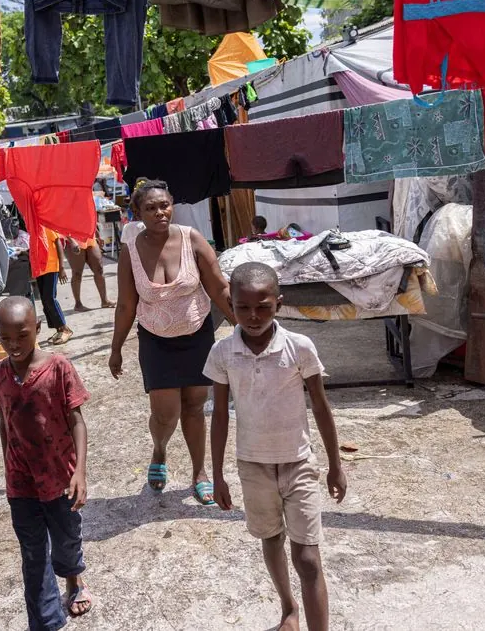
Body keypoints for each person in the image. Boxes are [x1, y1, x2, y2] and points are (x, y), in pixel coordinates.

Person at [206, 262, 348, 631]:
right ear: (231, 305)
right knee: (271, 539)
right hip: (252, 466)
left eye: (263, 307)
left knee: (308, 559)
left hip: (298, 463)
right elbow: (220, 415)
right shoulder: (222, 353)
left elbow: (319, 405)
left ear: (279, 304)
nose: (253, 317)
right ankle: (288, 608)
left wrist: (335, 464)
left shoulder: (299, 347)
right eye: (243, 308)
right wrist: (217, 474)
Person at [109, 179, 234, 505]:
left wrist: (247, 327)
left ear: (172, 204)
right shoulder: (131, 251)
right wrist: (116, 348)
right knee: (166, 413)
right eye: (150, 208)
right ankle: (160, 450)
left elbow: (219, 287)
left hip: (197, 337)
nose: (160, 212)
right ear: (137, 213)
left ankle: (199, 473)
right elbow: (126, 305)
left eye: (164, 205)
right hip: (156, 340)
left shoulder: (191, 239)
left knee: (194, 407)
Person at [0, 296, 92, 630]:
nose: (13, 345)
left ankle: (74, 580)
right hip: (21, 482)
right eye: (5, 338)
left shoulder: (58, 368)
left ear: (38, 329)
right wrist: (7, 465)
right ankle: (45, 621)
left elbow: (77, 421)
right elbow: (5, 422)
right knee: (32, 553)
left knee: (66, 537)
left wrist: (80, 473)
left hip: (60, 477)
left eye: (22, 335)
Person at [35, 227, 73, 345]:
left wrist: (61, 268)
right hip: (39, 269)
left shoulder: (46, 226)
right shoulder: (32, 227)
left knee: (50, 298)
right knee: (45, 300)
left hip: (51, 267)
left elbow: (58, 244)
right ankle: (58, 329)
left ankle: (64, 328)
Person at [65, 233, 114, 311]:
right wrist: (71, 240)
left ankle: (104, 301)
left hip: (90, 237)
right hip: (72, 237)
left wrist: (97, 235)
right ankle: (78, 304)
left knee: (99, 269)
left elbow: (92, 220)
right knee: (77, 273)